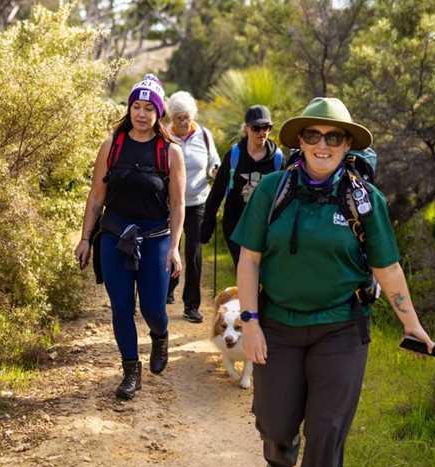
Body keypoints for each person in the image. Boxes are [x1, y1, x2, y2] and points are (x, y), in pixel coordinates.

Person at [232, 97, 435, 467]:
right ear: (300, 141)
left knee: (328, 429)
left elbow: (388, 267)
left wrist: (411, 324)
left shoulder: (365, 201)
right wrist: (250, 322)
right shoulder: (273, 191)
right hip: (279, 325)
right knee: (274, 418)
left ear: (347, 145)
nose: (322, 144)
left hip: (342, 327)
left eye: (334, 137)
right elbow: (249, 259)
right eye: (313, 135)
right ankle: (280, 452)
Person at [75, 74, 185, 400]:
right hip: (114, 235)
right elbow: (96, 197)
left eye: (148, 108)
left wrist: (175, 248)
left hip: (155, 236)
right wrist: (85, 238)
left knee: (152, 306)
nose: (141, 114)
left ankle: (160, 334)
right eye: (136, 106)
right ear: (129, 108)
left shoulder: (170, 152)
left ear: (158, 113)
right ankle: (130, 371)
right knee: (121, 306)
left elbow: (178, 205)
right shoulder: (112, 145)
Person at [200, 105, 285, 268]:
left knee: (263, 272)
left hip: (265, 225)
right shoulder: (234, 155)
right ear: (246, 128)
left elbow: (285, 195)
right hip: (235, 224)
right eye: (257, 128)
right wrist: (207, 228)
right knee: (244, 267)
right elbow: (217, 192)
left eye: (267, 127)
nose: (262, 133)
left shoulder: (278, 159)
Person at [164, 91, 221, 323]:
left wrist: (216, 169)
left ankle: (191, 305)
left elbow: (212, 160)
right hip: (168, 204)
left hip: (197, 202)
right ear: (172, 117)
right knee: (167, 248)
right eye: (179, 118)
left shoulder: (204, 135)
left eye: (187, 117)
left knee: (194, 253)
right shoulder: (164, 136)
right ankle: (168, 286)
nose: (184, 122)